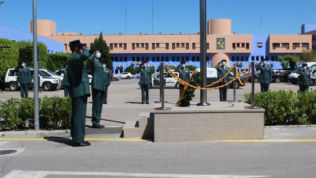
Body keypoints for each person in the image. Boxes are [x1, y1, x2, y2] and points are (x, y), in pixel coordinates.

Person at [67, 40, 92, 147]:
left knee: (77, 116)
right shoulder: (74, 58)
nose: (82, 49)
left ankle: (76, 137)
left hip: (79, 90)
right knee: (79, 117)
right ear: (76, 48)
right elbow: (85, 56)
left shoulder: (74, 58)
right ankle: (78, 140)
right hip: (79, 90)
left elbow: (86, 58)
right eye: (80, 47)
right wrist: (85, 48)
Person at [89, 49, 105, 128]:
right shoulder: (93, 61)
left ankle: (98, 120)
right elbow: (89, 58)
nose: (99, 53)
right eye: (97, 52)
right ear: (94, 53)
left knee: (100, 104)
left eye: (99, 52)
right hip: (96, 85)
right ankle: (95, 121)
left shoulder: (98, 62)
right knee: (96, 104)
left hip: (101, 85)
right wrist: (94, 53)